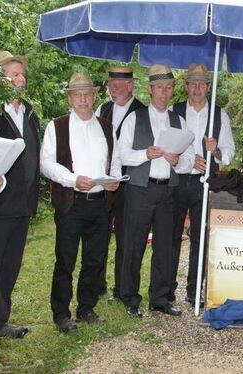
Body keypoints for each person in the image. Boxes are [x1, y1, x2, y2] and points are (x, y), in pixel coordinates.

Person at [40, 72, 121, 332]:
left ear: (94, 95)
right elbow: (46, 164)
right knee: (65, 259)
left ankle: (86, 307)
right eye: (78, 94)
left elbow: (115, 158)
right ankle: (61, 314)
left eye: (87, 94)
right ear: (70, 97)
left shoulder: (106, 126)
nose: (84, 99)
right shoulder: (57, 126)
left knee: (94, 259)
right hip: (71, 202)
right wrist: (73, 180)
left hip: (99, 203)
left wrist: (114, 179)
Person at [118, 64, 194, 318]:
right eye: (159, 87)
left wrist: (177, 162)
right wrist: (145, 154)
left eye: (168, 87)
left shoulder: (179, 120)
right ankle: (130, 298)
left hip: (167, 191)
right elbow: (122, 154)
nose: (164, 92)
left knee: (165, 246)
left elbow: (189, 160)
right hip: (140, 189)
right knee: (134, 244)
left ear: (173, 90)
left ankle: (160, 298)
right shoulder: (134, 118)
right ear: (150, 89)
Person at [170, 63, 234, 306]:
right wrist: (186, 159)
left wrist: (215, 149)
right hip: (176, 181)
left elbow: (229, 152)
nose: (197, 88)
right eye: (193, 83)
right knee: (171, 235)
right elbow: (166, 145)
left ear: (208, 86)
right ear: (186, 86)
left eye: (202, 84)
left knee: (201, 238)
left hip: (207, 184)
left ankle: (194, 290)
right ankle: (167, 290)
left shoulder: (220, 115)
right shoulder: (174, 112)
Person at [0, 51, 40, 339]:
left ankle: (0, 322)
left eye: (22, 74)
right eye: (13, 74)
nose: (20, 79)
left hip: (23, 205)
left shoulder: (31, 113)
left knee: (10, 265)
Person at [95, 66, 146, 300]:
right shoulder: (103, 109)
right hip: (104, 183)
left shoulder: (142, 113)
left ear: (130, 86)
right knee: (99, 235)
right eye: (110, 84)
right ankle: (98, 284)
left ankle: (122, 288)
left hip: (130, 184)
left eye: (117, 85)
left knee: (127, 238)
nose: (112, 89)